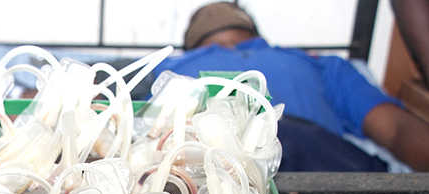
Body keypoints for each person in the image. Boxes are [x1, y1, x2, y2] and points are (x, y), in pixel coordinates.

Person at [152, 1, 429, 172]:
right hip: (211, 169)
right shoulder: (157, 69)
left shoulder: (321, 64)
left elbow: (396, 130)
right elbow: (395, 129)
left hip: (310, 164)